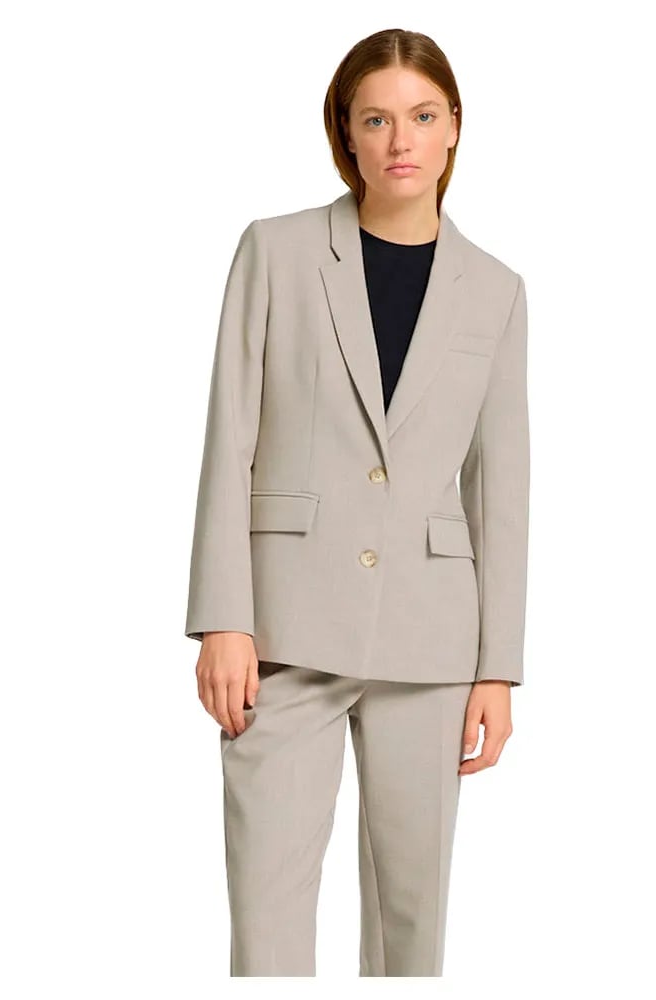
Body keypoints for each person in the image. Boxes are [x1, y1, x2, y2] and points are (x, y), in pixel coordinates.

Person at [185, 27, 530, 977]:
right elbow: (229, 439)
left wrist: (497, 669)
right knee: (268, 924)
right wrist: (223, 618)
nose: (400, 140)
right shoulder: (277, 251)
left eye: (421, 116)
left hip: (431, 643)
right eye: (375, 119)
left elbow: (501, 487)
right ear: (346, 131)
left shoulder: (497, 291)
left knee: (411, 933)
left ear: (454, 126)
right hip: (283, 634)